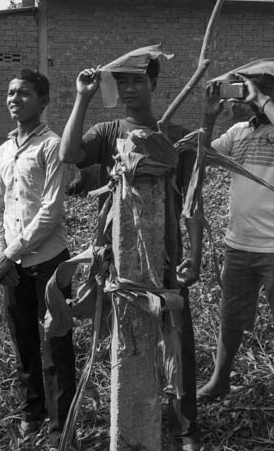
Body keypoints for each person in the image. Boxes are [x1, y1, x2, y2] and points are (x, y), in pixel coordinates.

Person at [59, 47, 204, 451]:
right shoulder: (108, 132)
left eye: (137, 81)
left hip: (167, 254)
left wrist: (196, 250)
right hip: (119, 257)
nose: (129, 89)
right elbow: (68, 154)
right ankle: (133, 415)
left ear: (154, 84)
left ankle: (185, 427)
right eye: (122, 82)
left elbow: (194, 200)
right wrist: (83, 96)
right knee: (130, 338)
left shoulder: (176, 135)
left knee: (177, 337)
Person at [199, 59, 274, 440]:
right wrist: (210, 116)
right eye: (246, 86)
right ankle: (220, 380)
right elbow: (200, 158)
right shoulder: (237, 132)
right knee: (231, 318)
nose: (247, 94)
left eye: (259, 86)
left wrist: (263, 102)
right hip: (239, 245)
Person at [0, 68, 76, 450]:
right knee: (24, 342)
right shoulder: (3, 151)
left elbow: (51, 211)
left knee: (55, 346)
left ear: (43, 101)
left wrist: (10, 252)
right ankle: (32, 412)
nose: (14, 99)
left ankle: (61, 426)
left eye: (23, 93)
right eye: (10, 93)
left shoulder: (53, 146)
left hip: (51, 264)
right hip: (13, 268)